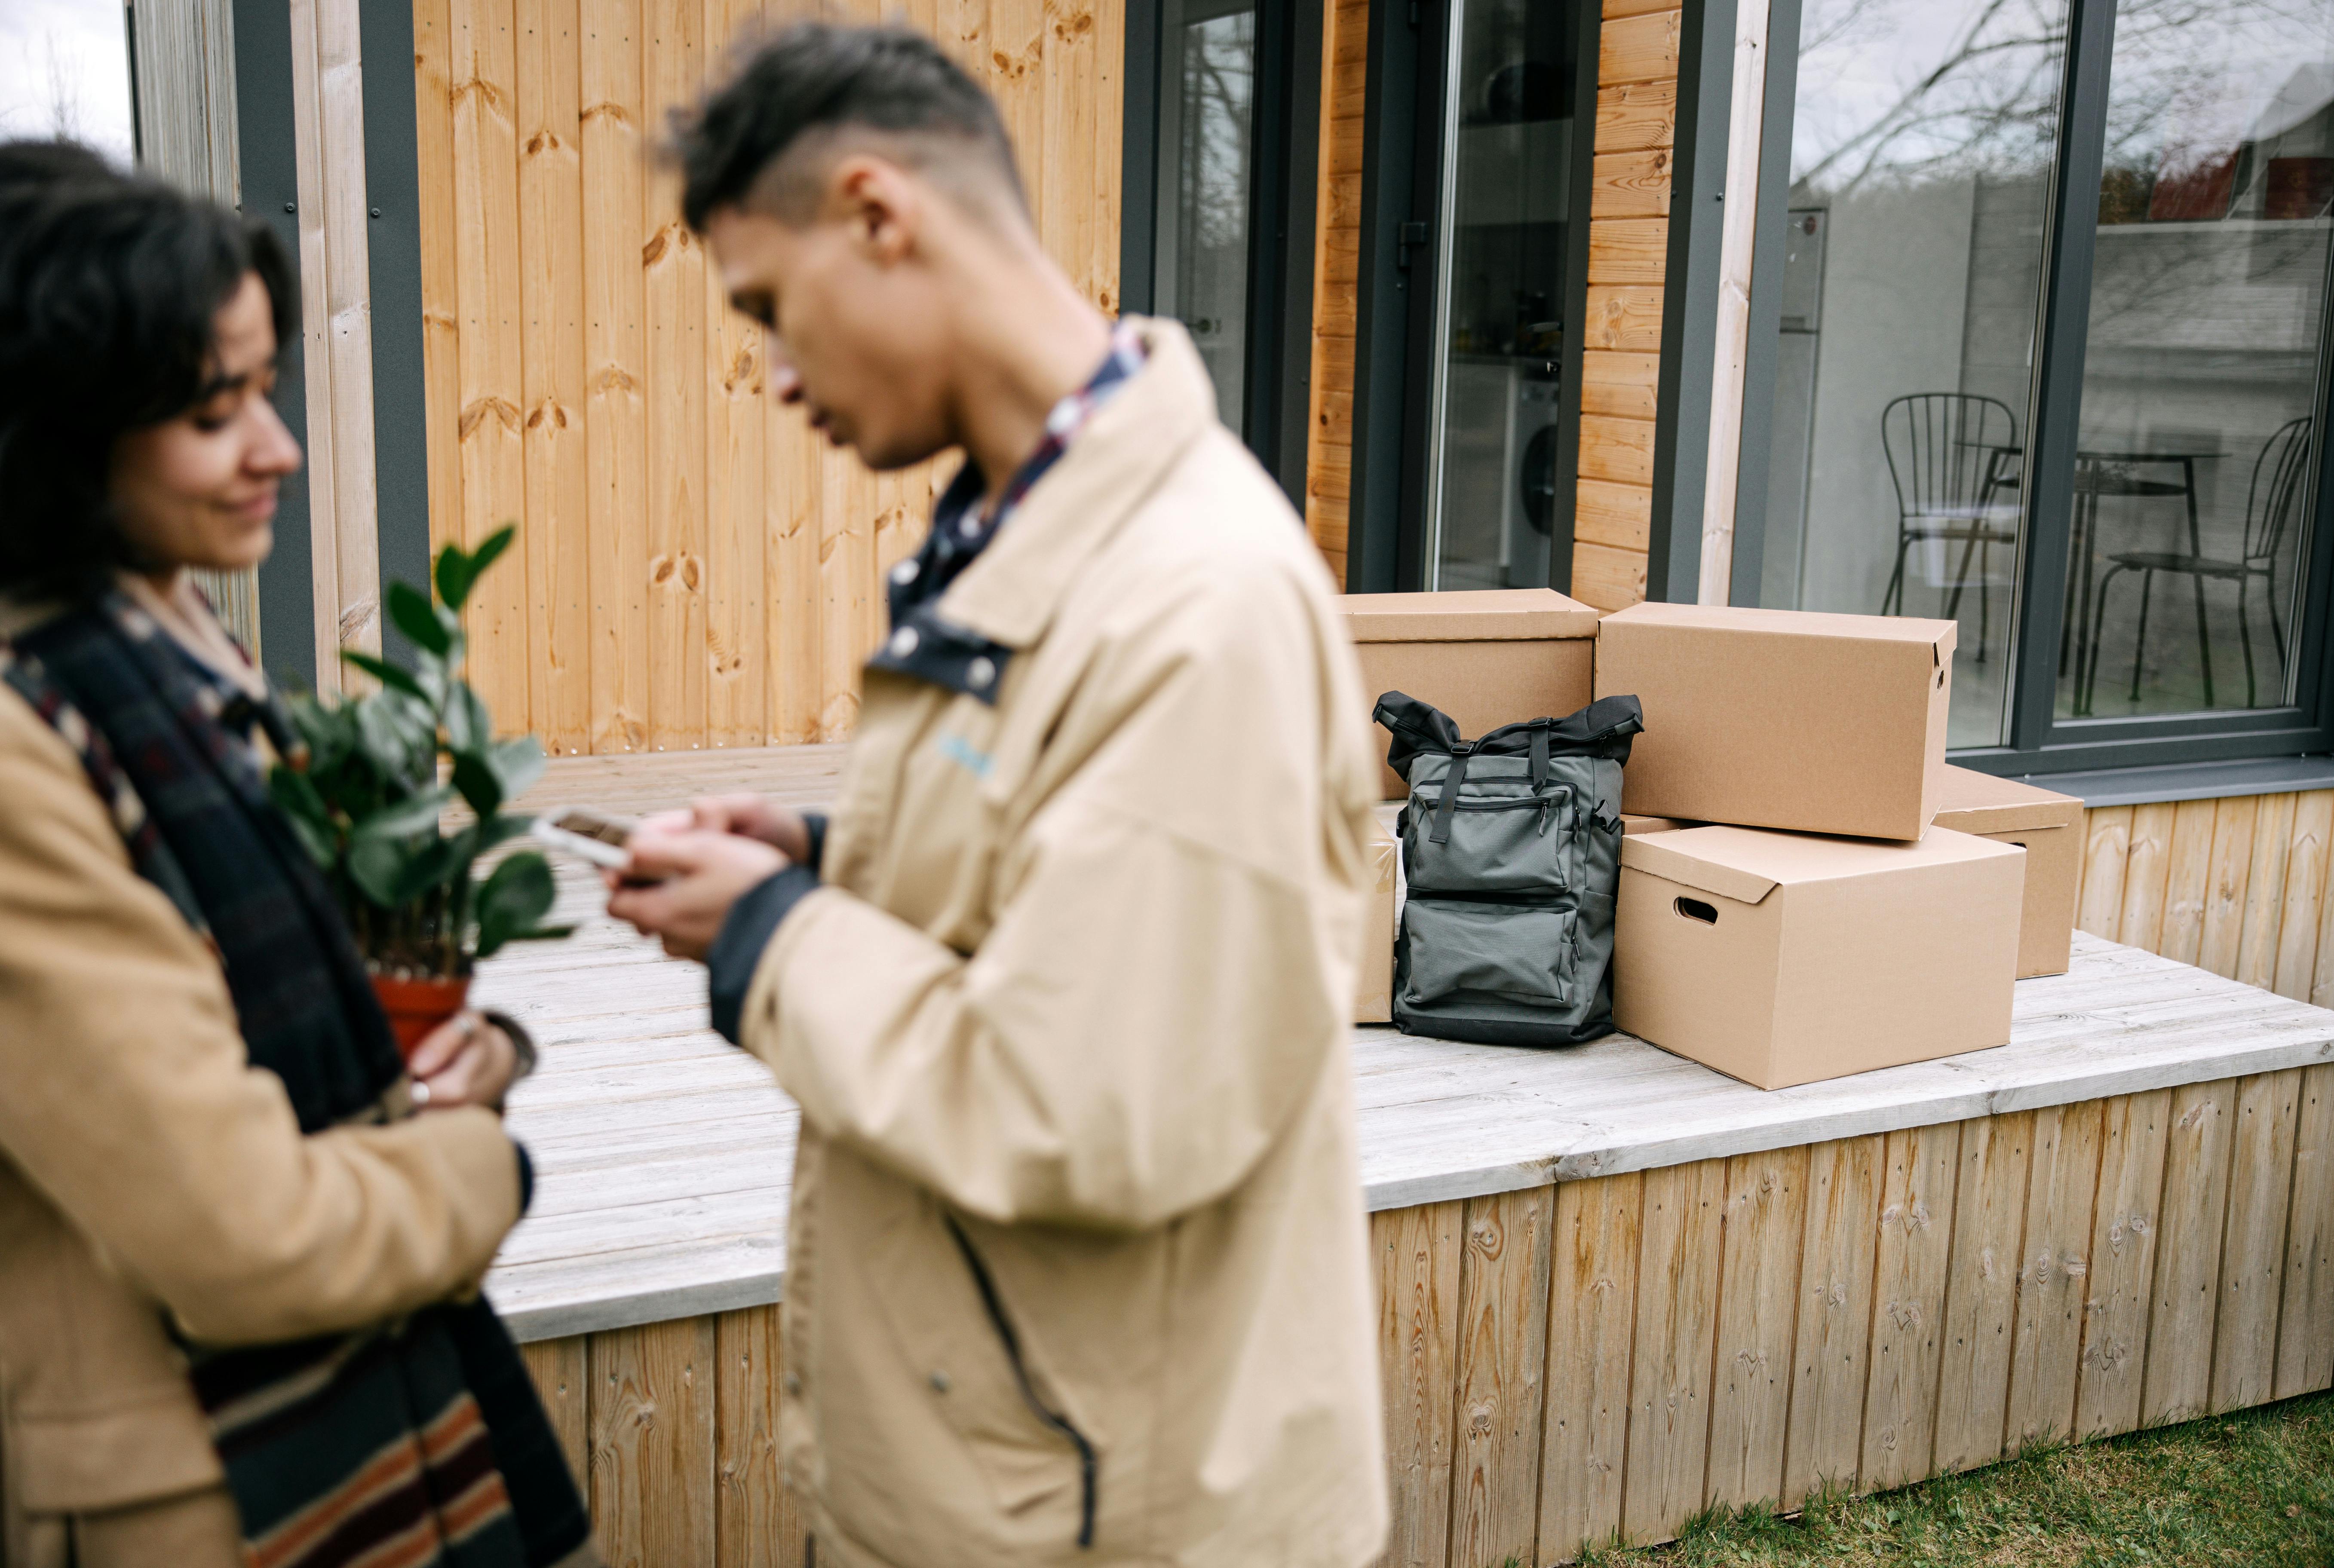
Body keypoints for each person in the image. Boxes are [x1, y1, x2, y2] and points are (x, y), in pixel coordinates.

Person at [606, 24, 1387, 1568]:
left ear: (880, 216)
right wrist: (830, 859)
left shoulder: (1194, 602)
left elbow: (1086, 1104)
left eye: (767, 306)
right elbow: (1075, 877)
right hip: (1028, 1459)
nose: (769, 375)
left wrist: (773, 936)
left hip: (1121, 1514)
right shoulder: (1031, 532)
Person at [0, 144, 593, 1568]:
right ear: (57, 433)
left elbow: (299, 988)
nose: (280, 448)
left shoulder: (167, 640)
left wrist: (479, 1052)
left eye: (266, 389)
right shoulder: (26, 739)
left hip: (361, 1397)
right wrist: (479, 1171)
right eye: (218, 412)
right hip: (216, 1484)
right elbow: (243, 1231)